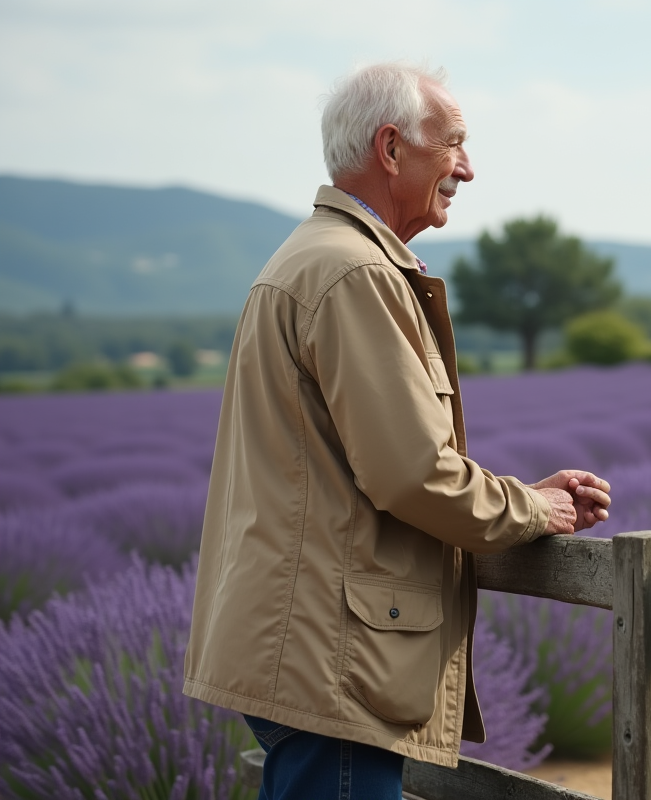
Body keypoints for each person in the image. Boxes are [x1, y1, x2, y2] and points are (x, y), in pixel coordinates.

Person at [183, 62, 611, 799]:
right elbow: (410, 471)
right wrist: (535, 510)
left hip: (310, 646)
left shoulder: (311, 258)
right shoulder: (358, 274)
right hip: (335, 660)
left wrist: (516, 495)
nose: (468, 169)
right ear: (390, 149)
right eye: (453, 145)